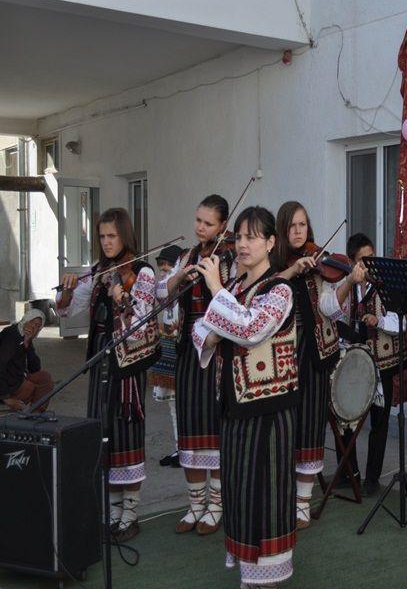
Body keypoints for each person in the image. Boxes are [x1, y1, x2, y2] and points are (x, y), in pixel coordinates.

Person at [192, 206, 299, 587]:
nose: (242, 244)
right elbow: (200, 329)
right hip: (235, 408)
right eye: (239, 236)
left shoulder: (280, 290)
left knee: (266, 499)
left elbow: (252, 329)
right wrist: (219, 324)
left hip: (269, 412)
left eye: (252, 237)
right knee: (238, 494)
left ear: (271, 242)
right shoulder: (237, 289)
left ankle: (265, 580)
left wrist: (217, 293)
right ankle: (248, 579)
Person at [56, 208, 159, 542]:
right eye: (102, 236)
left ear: (125, 235)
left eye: (112, 236)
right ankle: (113, 514)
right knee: (103, 434)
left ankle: (130, 514)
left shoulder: (142, 272)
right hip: (101, 356)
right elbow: (68, 310)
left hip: (127, 362)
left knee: (126, 434)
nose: (106, 242)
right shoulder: (98, 270)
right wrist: (68, 290)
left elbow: (142, 322)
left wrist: (122, 295)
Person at [157, 195, 236, 535]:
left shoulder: (230, 257)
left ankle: (216, 506)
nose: (200, 227)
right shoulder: (187, 256)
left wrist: (214, 277)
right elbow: (162, 294)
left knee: (214, 429)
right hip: (189, 349)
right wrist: (178, 277)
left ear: (223, 226)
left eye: (208, 223)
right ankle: (194, 505)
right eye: (198, 220)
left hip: (217, 349)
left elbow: (232, 302)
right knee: (190, 428)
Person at [272, 201, 340, 530]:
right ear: (282, 230)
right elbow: (263, 292)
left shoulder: (319, 259)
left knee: (311, 423)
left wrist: (347, 284)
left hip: (313, 353)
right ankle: (283, 496)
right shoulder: (273, 264)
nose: (299, 232)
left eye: (303, 225)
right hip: (281, 354)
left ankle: (302, 502)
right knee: (284, 426)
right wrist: (291, 271)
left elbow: (329, 307)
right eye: (292, 226)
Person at [320, 232, 403, 498]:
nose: (368, 265)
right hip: (355, 363)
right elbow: (334, 313)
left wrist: (379, 322)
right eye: (362, 260)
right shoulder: (347, 285)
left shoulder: (387, 284)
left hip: (384, 360)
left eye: (371, 257)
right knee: (345, 416)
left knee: (379, 422)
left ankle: (372, 478)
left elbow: (401, 323)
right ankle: (349, 473)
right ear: (352, 262)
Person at [148, 244, 183, 468]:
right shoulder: (165, 292)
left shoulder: (184, 289)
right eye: (160, 270)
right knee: (172, 404)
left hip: (182, 352)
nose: (162, 274)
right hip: (168, 349)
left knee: (183, 404)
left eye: (166, 269)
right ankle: (180, 448)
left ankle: (188, 448)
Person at [0, 309, 52, 412]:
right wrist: (6, 398)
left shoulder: (25, 335)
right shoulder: (11, 335)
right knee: (29, 387)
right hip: (5, 385)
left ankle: (35, 414)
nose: (34, 327)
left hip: (15, 378)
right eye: (33, 322)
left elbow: (35, 368)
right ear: (25, 320)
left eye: (38, 326)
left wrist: (27, 344)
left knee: (45, 377)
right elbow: (1, 366)